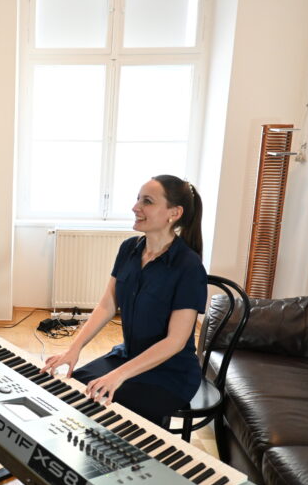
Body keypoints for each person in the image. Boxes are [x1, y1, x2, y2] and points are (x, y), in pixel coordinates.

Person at [42, 175, 206, 427]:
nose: (135, 207)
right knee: (74, 389)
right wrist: (73, 349)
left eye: (147, 201)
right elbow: (107, 305)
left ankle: (129, 462)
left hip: (170, 372)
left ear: (174, 212)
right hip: (128, 357)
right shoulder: (129, 249)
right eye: (137, 199)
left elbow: (175, 342)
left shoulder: (189, 266)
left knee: (107, 406)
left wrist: (117, 376)